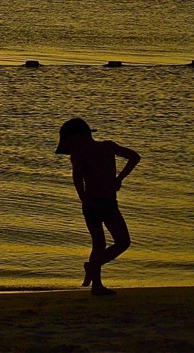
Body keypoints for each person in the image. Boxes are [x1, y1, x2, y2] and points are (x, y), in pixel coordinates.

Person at [55, 117, 140, 296]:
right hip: (102, 202)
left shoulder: (82, 154)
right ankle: (95, 276)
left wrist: (85, 200)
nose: (70, 145)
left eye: (71, 140)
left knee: (106, 243)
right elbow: (134, 157)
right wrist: (119, 179)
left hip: (93, 203)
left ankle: (95, 275)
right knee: (117, 242)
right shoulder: (104, 148)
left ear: (79, 136)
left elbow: (77, 180)